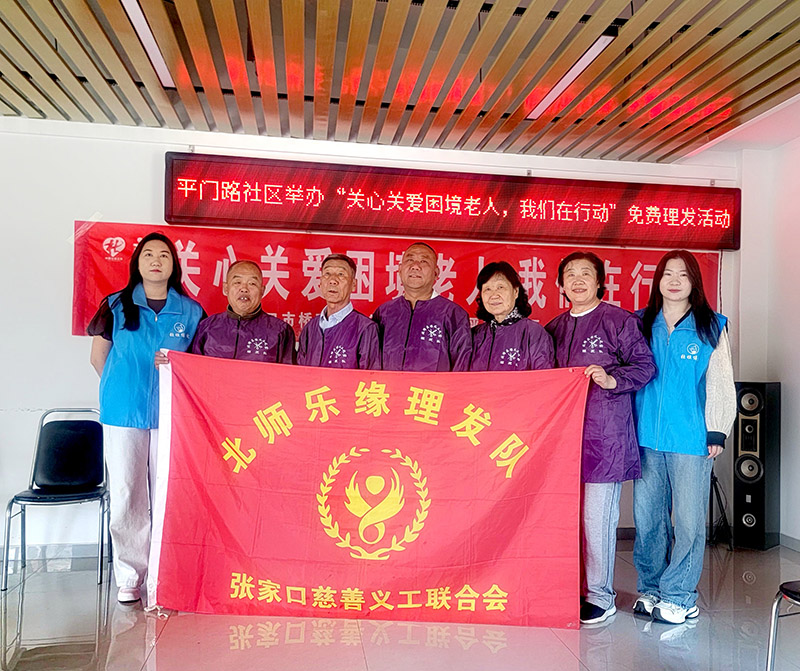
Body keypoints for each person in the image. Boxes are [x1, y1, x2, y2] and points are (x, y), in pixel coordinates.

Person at [87, 232, 204, 604]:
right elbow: (98, 357)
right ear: (137, 263)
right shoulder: (115, 305)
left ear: (174, 265)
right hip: (124, 412)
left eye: (164, 255)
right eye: (149, 254)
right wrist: (124, 387)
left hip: (172, 415)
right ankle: (130, 576)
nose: (156, 260)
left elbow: (200, 364)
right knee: (127, 493)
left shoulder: (191, 311)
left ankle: (164, 572)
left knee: (169, 493)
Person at [545, 251, 656, 625]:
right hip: (562, 439)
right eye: (570, 274)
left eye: (585, 274)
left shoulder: (618, 321)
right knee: (563, 519)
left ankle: (600, 595)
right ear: (560, 285)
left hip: (604, 436)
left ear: (599, 282)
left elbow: (645, 366)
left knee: (597, 520)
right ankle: (568, 587)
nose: (577, 280)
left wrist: (611, 379)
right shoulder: (555, 327)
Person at [632, 250, 736, 624]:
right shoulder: (640, 323)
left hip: (691, 438)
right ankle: (651, 588)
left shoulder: (711, 325)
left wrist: (717, 429)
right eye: (667, 274)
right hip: (647, 437)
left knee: (689, 523)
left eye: (683, 274)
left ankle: (679, 596)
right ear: (657, 281)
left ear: (694, 282)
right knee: (648, 520)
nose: (674, 281)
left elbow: (721, 381)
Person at [373, 242, 471, 371]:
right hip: (388, 384)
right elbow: (371, 362)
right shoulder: (384, 312)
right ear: (400, 269)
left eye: (424, 261)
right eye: (410, 260)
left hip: (434, 385)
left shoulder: (454, 314)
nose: (415, 266)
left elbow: (461, 368)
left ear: (436, 273)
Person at [191, 260, 294, 363]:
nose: (244, 289)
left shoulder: (280, 331)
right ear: (226, 288)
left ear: (262, 291)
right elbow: (194, 368)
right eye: (237, 282)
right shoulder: (207, 327)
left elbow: (288, 372)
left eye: (252, 283)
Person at [298, 253, 380, 369]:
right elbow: (299, 373)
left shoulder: (365, 329)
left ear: (353, 285)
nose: (333, 280)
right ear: (320, 283)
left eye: (341, 274)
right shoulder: (310, 328)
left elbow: (370, 376)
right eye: (327, 274)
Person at [470, 261, 554, 371]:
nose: (494, 295)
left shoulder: (534, 333)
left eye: (500, 287)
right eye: (487, 289)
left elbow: (544, 377)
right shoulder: (474, 335)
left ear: (515, 292)